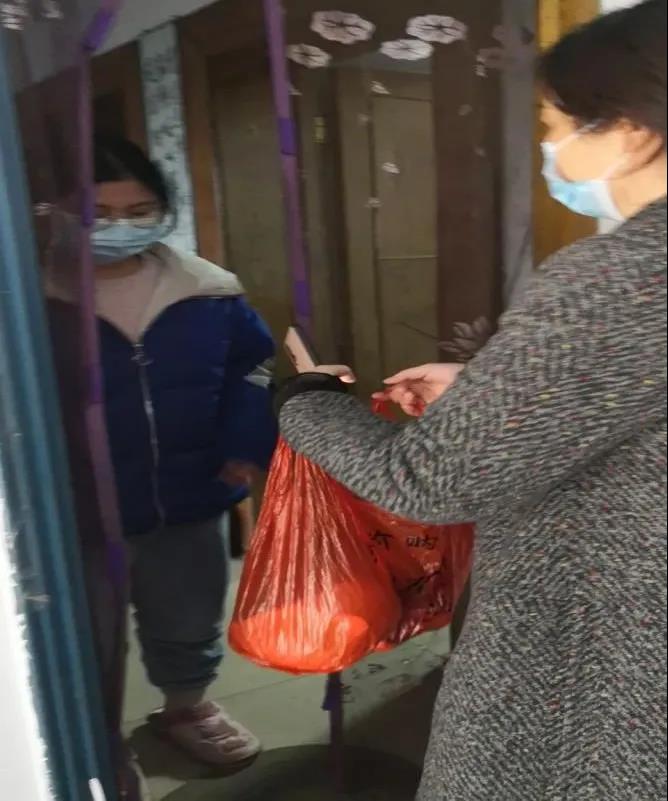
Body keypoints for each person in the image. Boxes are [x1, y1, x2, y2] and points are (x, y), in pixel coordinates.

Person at [274, 3, 667, 799]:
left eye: (555, 125)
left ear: (628, 131)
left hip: (598, 654)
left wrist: (306, 399)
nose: (551, 149)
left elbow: (430, 481)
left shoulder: (619, 276)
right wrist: (490, 392)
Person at [55, 136, 277, 767]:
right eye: (99, 214)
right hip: (76, 507)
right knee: (84, 631)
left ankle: (187, 706)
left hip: (188, 490)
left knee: (188, 611)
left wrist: (244, 441)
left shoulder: (207, 289)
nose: (120, 227)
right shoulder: (32, 295)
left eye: (139, 211)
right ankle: (93, 737)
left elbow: (252, 368)